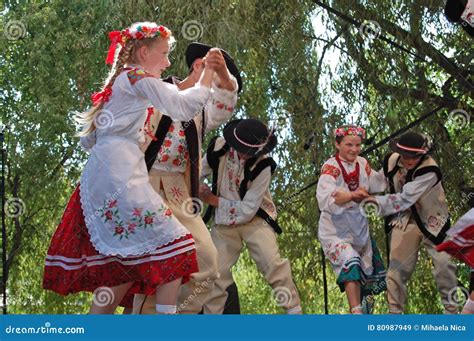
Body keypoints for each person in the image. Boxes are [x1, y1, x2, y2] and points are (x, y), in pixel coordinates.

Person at [43, 21, 217, 314]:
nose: (168, 61)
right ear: (143, 52)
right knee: (176, 244)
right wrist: (208, 78)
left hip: (108, 170)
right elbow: (180, 107)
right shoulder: (136, 78)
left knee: (124, 263)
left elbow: (91, 139)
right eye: (163, 54)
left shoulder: (124, 81)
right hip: (120, 173)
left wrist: (193, 81)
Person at [132, 42, 241, 314]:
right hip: (144, 185)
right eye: (218, 72)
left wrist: (226, 77)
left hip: (178, 191)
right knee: (152, 265)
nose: (221, 84)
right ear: (198, 66)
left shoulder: (204, 110)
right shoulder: (156, 89)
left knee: (207, 262)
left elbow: (226, 101)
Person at [200, 118, 303, 314]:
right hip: (224, 224)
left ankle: (294, 313)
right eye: (242, 149)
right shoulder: (219, 148)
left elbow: (248, 209)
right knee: (215, 273)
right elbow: (197, 173)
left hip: (255, 220)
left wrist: (213, 200)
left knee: (272, 264)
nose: (245, 155)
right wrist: (196, 189)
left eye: (250, 152)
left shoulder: (263, 166)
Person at [371, 131, 458, 314]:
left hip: (434, 222)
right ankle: (395, 314)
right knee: (395, 271)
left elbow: (404, 199)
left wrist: (373, 203)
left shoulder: (429, 170)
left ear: (422, 154)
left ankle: (452, 313)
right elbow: (377, 182)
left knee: (444, 266)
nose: (410, 160)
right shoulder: (392, 161)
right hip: (404, 221)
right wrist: (355, 185)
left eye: (415, 156)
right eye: (406, 155)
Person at [317, 125, 387, 314]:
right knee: (351, 261)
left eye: (357, 145)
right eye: (349, 145)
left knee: (366, 276)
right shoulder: (331, 167)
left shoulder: (362, 163)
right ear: (337, 144)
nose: (354, 149)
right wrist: (352, 196)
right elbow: (325, 199)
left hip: (359, 228)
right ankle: (355, 313)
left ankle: (365, 315)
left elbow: (377, 183)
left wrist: (392, 166)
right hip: (335, 231)